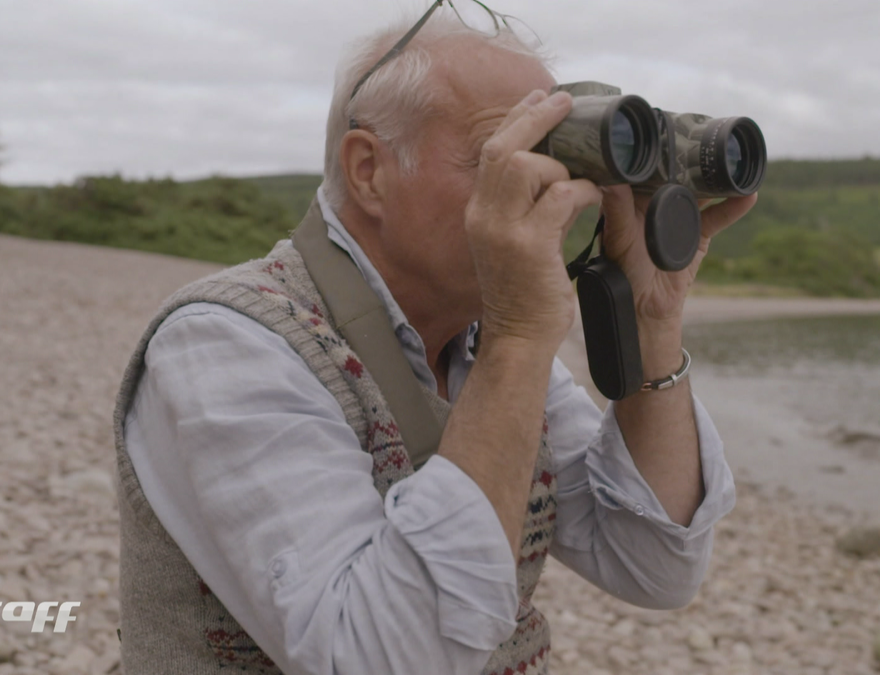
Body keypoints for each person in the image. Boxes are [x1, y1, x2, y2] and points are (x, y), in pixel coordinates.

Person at [112, 9, 756, 675]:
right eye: (503, 154)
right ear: (369, 171)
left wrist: (653, 323)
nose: (551, 187)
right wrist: (521, 339)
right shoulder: (224, 345)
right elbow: (378, 657)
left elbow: (655, 566)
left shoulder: (487, 345)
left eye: (555, 155)